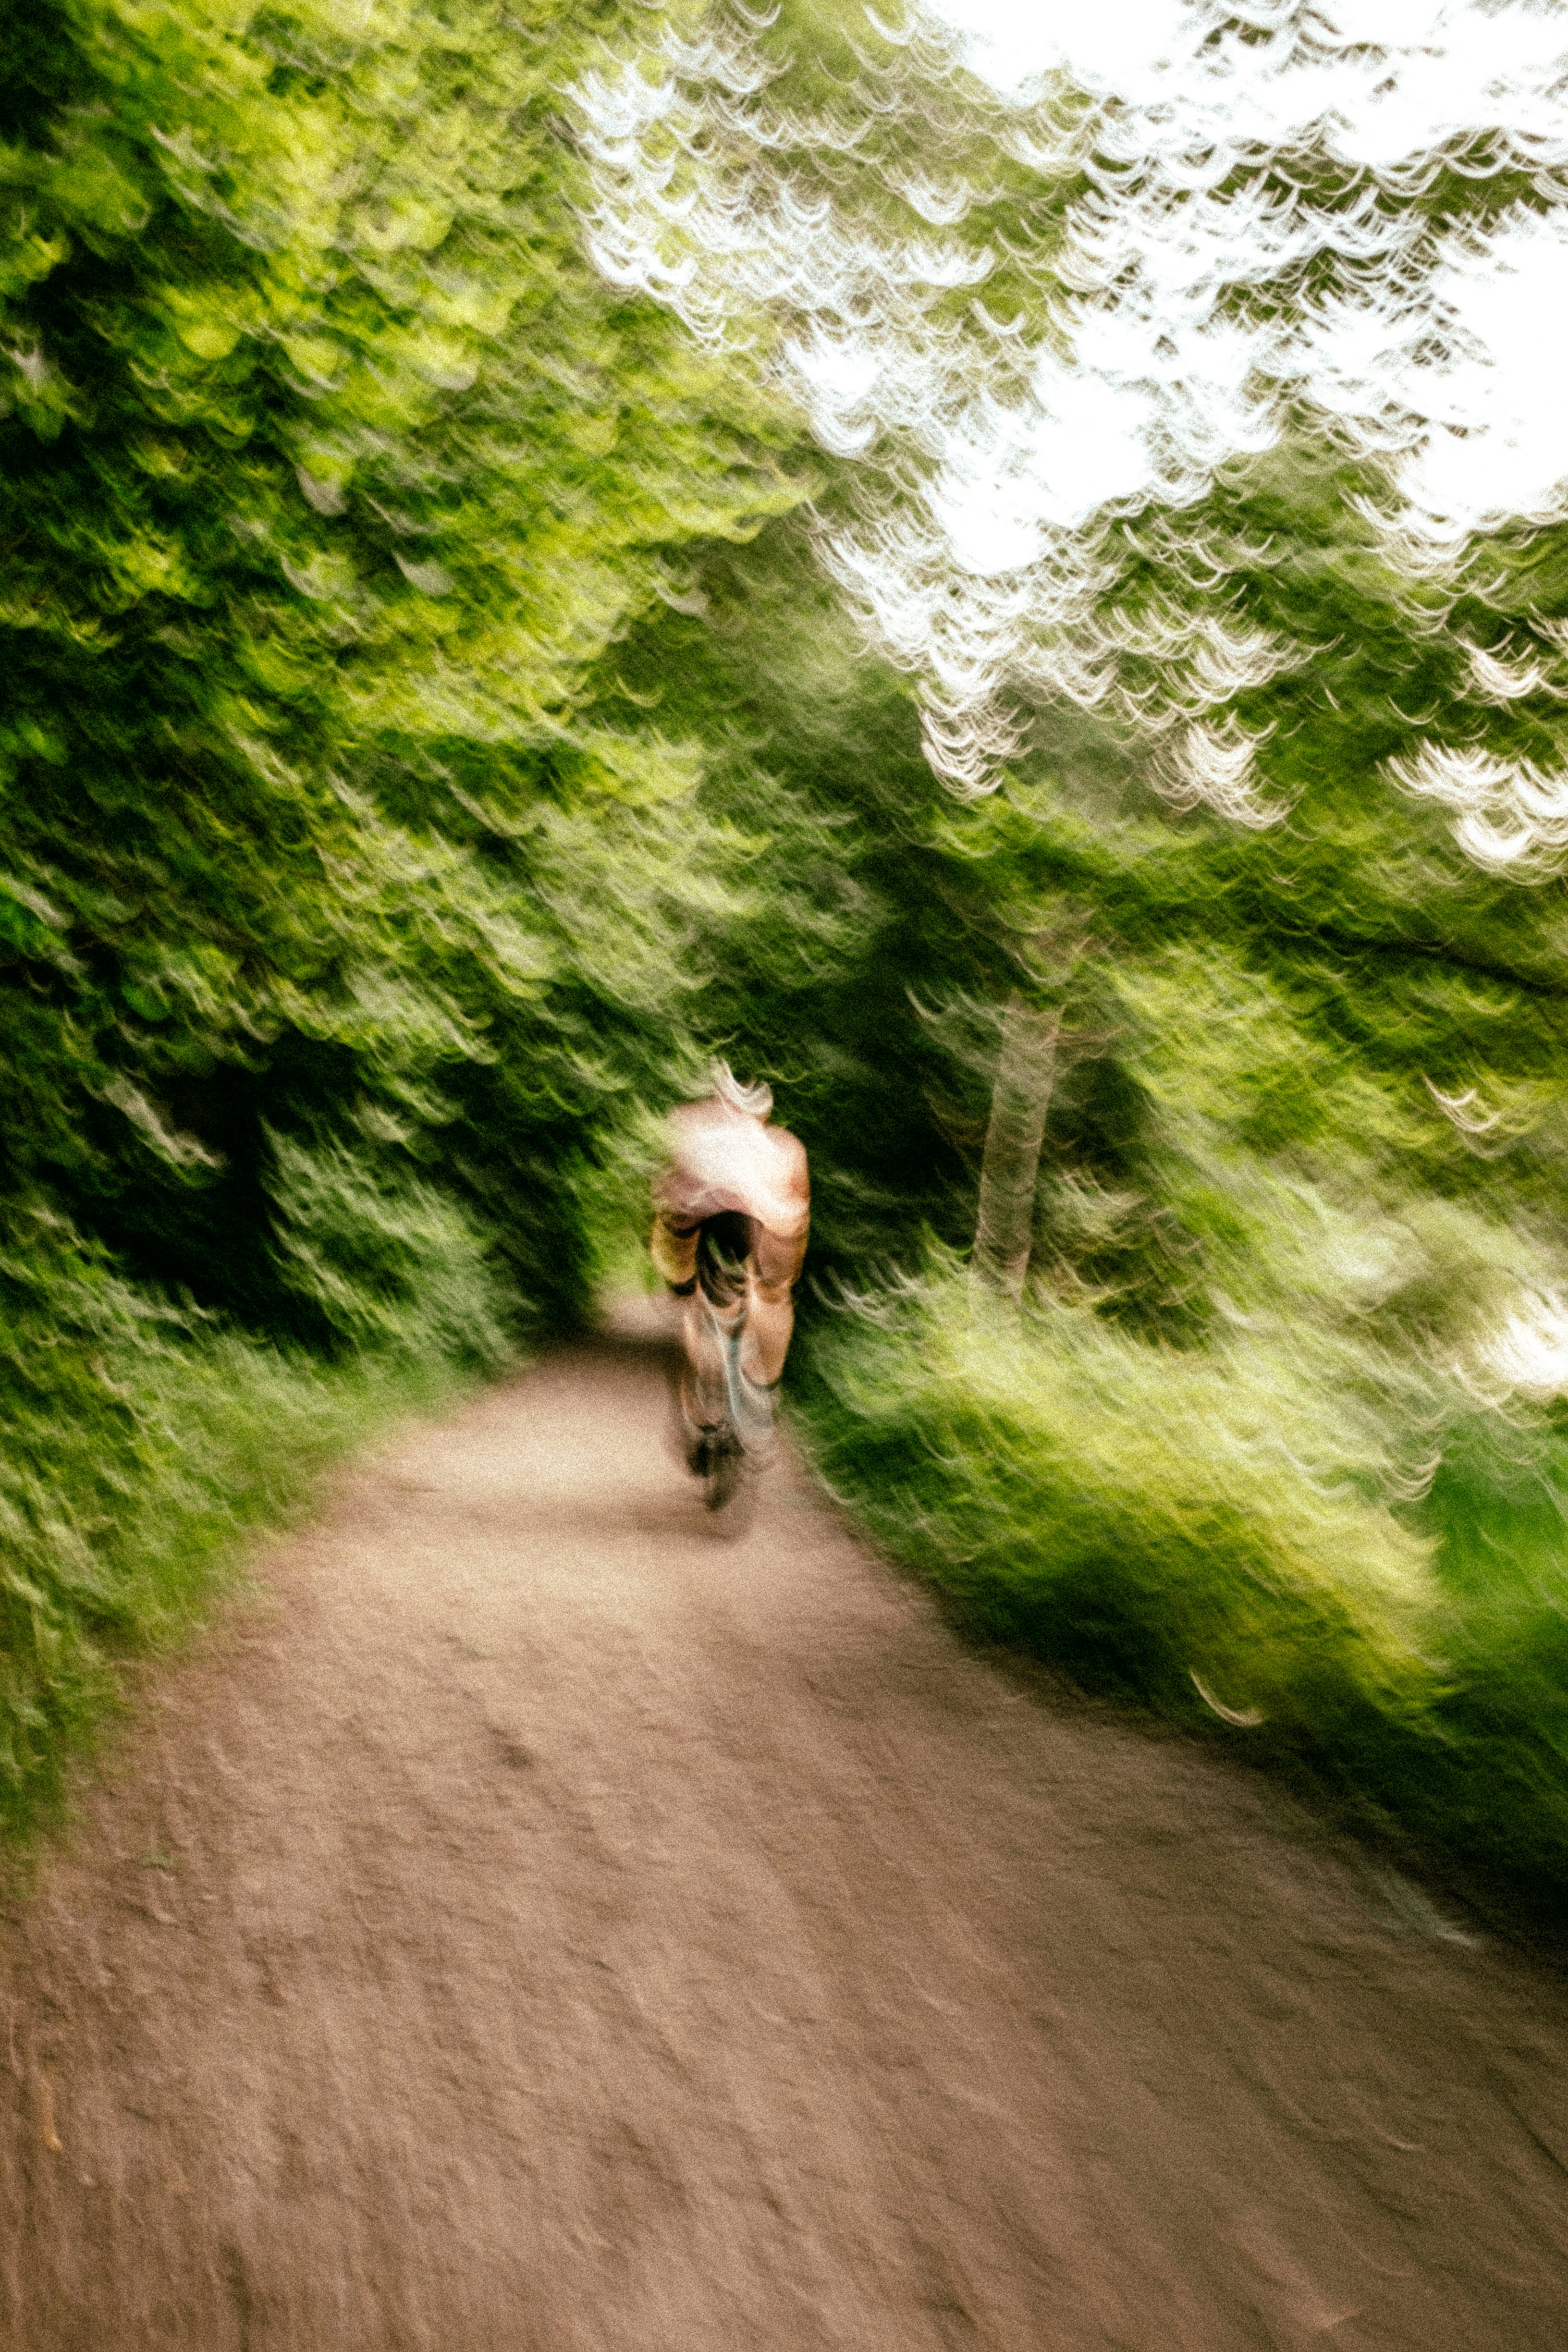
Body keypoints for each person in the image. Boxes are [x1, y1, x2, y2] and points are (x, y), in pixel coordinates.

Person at [651, 1062, 809, 1469]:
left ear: (717, 1099)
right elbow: (796, 1217)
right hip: (764, 1225)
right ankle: (761, 1392)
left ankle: (701, 1417)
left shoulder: (689, 1123)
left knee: (698, 1306)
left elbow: (666, 1202)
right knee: (773, 1299)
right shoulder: (782, 1145)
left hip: (703, 1222)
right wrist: (781, 1282)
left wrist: (678, 1280)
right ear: (764, 1113)